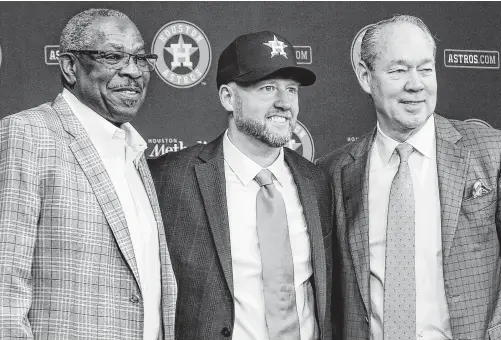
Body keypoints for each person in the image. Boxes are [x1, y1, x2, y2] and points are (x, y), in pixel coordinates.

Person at [317, 14, 501, 340]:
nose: (415, 84)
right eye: (398, 70)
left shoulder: (493, 151)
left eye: (425, 68)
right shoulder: (333, 173)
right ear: (365, 77)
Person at [0, 8, 177, 339]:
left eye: (141, 59)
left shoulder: (134, 154)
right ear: (70, 66)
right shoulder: (28, 134)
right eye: (113, 57)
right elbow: (4, 281)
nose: (133, 72)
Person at [149, 31, 332, 340]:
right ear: (227, 97)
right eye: (268, 88)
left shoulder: (317, 182)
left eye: (292, 89)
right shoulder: (169, 179)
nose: (284, 103)